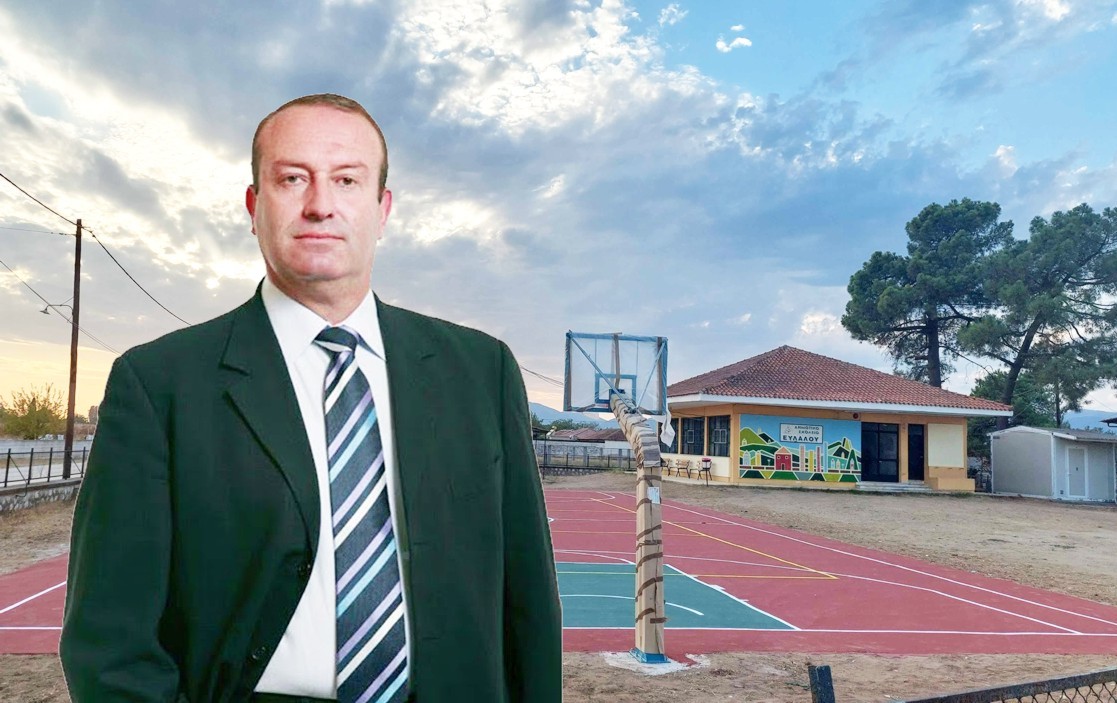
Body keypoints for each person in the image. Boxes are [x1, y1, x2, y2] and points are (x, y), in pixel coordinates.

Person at [60, 94, 563, 702]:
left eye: (347, 180)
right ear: (254, 207)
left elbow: (528, 606)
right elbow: (110, 642)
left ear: (382, 209)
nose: (321, 204)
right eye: (292, 178)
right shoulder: (158, 384)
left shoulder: (483, 372)